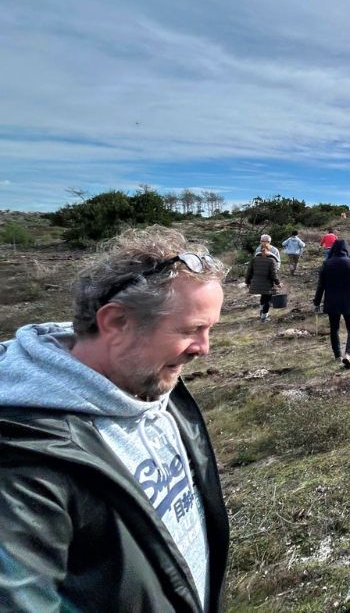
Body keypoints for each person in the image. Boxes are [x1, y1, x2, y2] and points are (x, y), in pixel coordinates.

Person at [0, 226, 229, 612]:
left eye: (209, 330)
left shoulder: (152, 382)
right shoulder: (22, 462)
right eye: (192, 330)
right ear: (116, 322)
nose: (204, 349)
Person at [314, 239, 350, 369]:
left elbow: (321, 286)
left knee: (334, 329)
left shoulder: (326, 264)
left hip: (332, 301)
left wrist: (317, 303)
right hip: (349, 301)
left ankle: (337, 355)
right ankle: (348, 354)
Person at [245, 239, 282, 322]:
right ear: (269, 250)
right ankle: (264, 317)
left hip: (256, 283)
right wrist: (278, 283)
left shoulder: (254, 260)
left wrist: (247, 282)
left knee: (263, 296)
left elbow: (249, 272)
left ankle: (261, 311)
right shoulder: (271, 261)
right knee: (268, 300)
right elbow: (273, 275)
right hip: (267, 284)